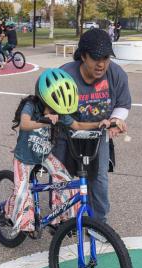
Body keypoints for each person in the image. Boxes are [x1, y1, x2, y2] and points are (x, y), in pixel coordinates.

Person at [4, 68, 111, 235]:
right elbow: (24, 123)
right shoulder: (31, 105)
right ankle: (17, 218)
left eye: (57, 111)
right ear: (43, 98)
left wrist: (100, 124)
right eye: (51, 109)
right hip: (24, 158)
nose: (54, 114)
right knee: (22, 192)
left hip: (45, 155)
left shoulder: (58, 112)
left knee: (65, 180)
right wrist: (45, 121)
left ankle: (60, 218)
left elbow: (77, 125)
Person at [52, 28, 131, 224]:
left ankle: (99, 222)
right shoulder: (64, 75)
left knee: (99, 179)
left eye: (106, 57)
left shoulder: (116, 74)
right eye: (96, 58)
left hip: (97, 134)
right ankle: (63, 217)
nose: (102, 63)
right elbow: (49, 107)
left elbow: (122, 104)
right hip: (66, 133)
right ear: (83, 56)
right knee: (62, 176)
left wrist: (115, 120)